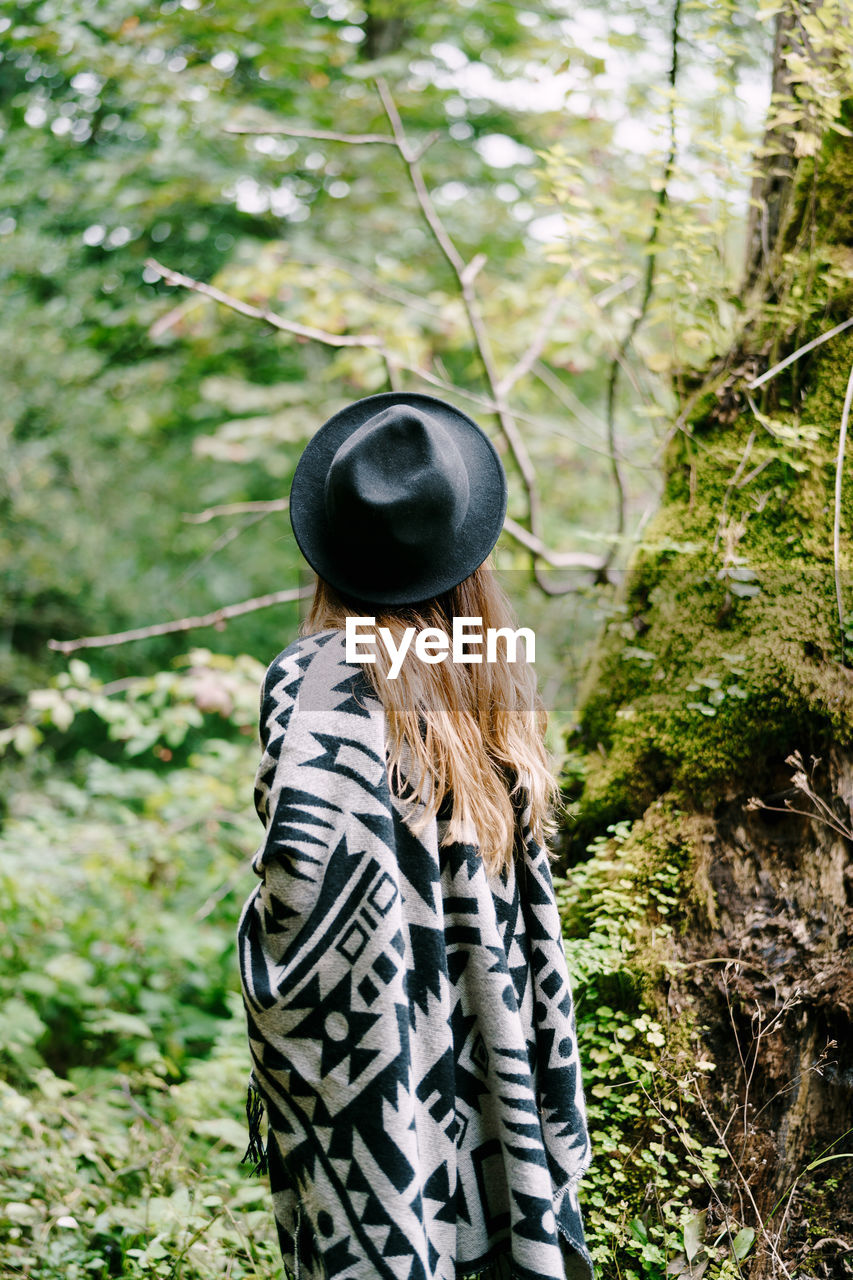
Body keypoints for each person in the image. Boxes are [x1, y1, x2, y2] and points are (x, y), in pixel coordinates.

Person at [237, 392, 594, 1280]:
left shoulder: (312, 679)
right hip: (491, 1036)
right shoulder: (493, 667)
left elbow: (297, 901)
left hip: (384, 1082)